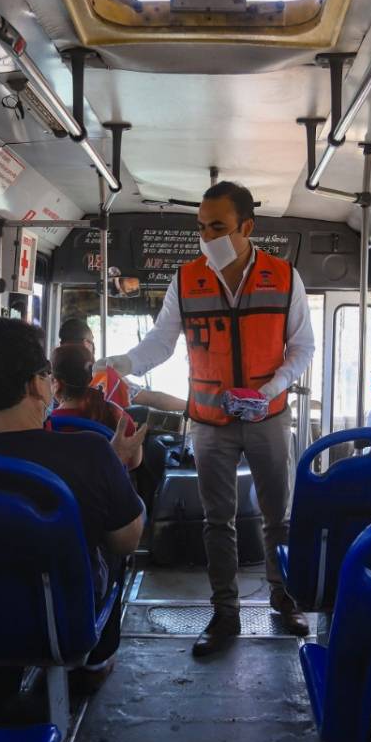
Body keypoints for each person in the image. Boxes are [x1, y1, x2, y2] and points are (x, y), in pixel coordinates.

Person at [97, 181, 315, 655]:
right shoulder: (186, 278)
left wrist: (271, 390)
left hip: (268, 415)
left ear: (247, 227)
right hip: (210, 420)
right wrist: (126, 363)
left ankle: (284, 596)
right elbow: (162, 341)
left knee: (279, 518)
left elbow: (302, 347)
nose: (206, 236)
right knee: (219, 520)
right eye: (201, 227)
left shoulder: (283, 277)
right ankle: (225, 612)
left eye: (218, 227)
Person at [0, 317, 146, 686]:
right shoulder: (91, 451)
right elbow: (127, 541)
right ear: (36, 384)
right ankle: (94, 661)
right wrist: (118, 468)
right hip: (60, 619)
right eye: (45, 375)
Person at [60, 317, 188, 414]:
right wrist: (191, 407)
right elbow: (155, 400)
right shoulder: (103, 375)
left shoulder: (50, 376)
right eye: (92, 341)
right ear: (86, 344)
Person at [51, 343, 143, 470]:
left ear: (57, 383)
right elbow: (134, 462)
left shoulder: (47, 423)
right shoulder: (119, 417)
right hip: (107, 488)